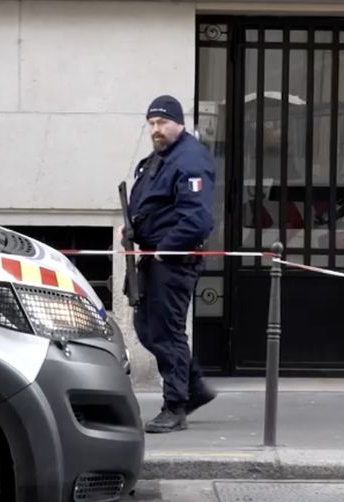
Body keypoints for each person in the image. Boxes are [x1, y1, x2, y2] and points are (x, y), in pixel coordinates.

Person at [127, 95, 217, 433]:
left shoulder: (190, 159)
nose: (156, 129)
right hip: (153, 256)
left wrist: (166, 247)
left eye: (162, 122)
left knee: (167, 332)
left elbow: (197, 220)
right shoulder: (162, 156)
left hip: (172, 260)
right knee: (146, 328)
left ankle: (175, 406)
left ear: (178, 123)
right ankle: (194, 386)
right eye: (151, 123)